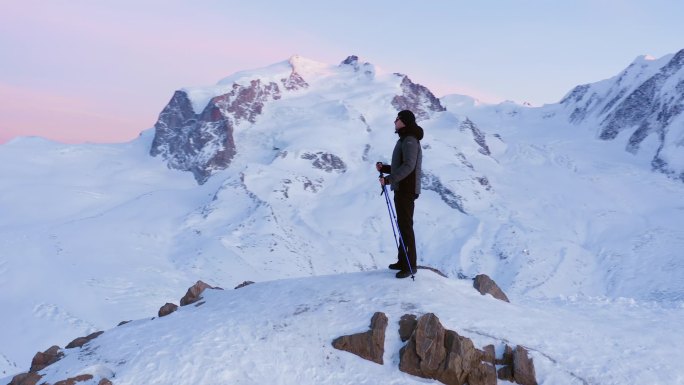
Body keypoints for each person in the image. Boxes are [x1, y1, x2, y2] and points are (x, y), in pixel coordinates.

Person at [376, 109, 424, 279]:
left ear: (404, 122)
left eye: (397, 119)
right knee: (403, 225)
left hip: (406, 189)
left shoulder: (409, 140)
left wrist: (389, 179)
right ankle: (403, 261)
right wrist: (386, 168)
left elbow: (409, 166)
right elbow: (401, 166)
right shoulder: (405, 138)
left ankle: (410, 265)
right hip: (402, 188)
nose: (394, 121)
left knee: (406, 226)